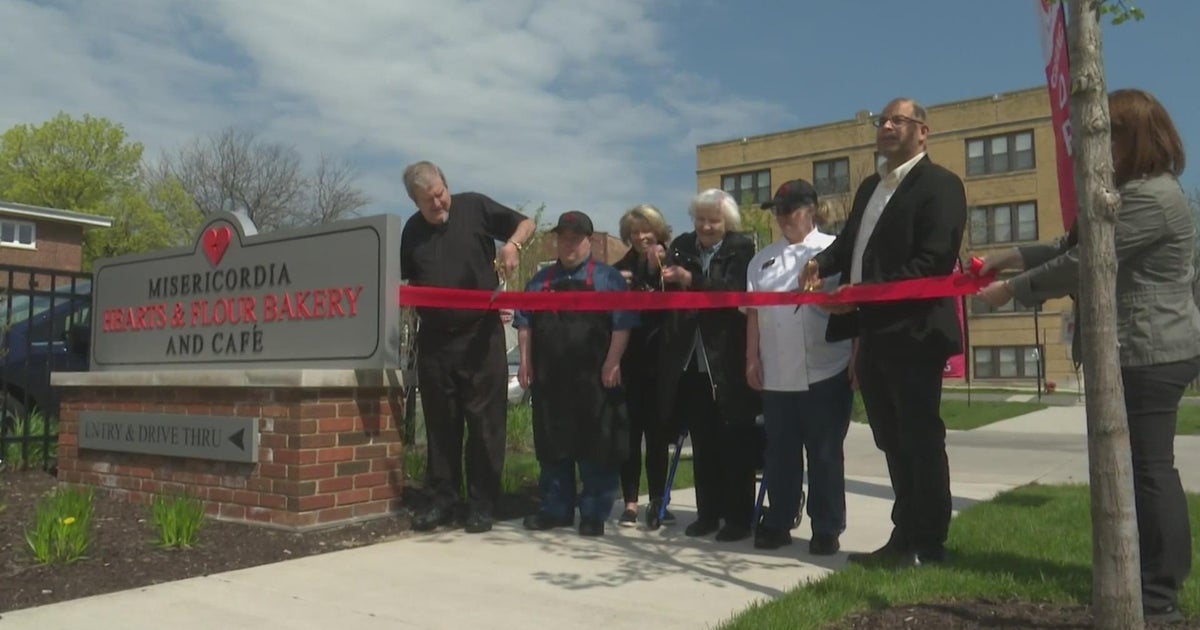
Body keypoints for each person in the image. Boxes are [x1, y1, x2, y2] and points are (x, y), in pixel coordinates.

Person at [977, 88, 1198, 624]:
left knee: (1150, 469)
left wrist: (1013, 291)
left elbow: (1085, 259)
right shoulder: (1127, 192)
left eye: (1106, 135)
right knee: (1136, 468)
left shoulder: (1153, 197)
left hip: (1151, 348)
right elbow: (1068, 244)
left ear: (1135, 137)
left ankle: (1160, 594)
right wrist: (1010, 255)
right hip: (1134, 345)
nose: (1090, 147)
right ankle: (1138, 580)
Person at [801, 97, 967, 566]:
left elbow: (931, 262)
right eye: (883, 120)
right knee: (891, 439)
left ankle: (930, 544)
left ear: (923, 131)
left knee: (919, 437)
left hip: (915, 333)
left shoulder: (941, 186)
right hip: (871, 335)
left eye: (899, 120)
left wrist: (863, 291)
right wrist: (821, 262)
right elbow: (850, 244)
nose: (888, 126)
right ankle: (903, 535)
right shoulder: (871, 186)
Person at [399, 161, 535, 534]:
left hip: (480, 336)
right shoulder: (411, 231)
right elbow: (405, 282)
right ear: (415, 202)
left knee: (485, 424)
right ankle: (442, 500)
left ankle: (482, 504)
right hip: (435, 341)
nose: (439, 204)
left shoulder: (473, 206)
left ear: (447, 185)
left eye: (441, 195)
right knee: (441, 425)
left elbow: (527, 223)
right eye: (429, 202)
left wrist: (512, 245)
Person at [747, 180, 854, 555]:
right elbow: (753, 314)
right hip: (776, 373)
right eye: (777, 210)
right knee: (780, 454)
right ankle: (779, 520)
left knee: (824, 454)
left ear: (811, 209)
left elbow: (855, 309)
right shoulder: (762, 259)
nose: (781, 218)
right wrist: (751, 358)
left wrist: (857, 356)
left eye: (788, 209)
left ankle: (827, 526)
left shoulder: (835, 251)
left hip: (827, 368)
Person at [515, 211, 636, 536]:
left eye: (575, 238)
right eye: (563, 238)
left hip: (596, 380)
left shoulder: (609, 279)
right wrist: (525, 362)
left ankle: (594, 513)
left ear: (589, 241)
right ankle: (556, 510)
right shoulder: (539, 282)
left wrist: (613, 363)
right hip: (551, 380)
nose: (568, 244)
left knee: (597, 448)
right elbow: (524, 322)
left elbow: (622, 325)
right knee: (553, 446)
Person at [659, 189, 761, 542]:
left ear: (727, 222)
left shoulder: (741, 248)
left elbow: (731, 291)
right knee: (703, 445)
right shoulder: (682, 245)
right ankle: (708, 514)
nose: (705, 226)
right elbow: (664, 287)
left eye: (713, 220)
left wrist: (692, 280)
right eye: (700, 219)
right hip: (691, 360)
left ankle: (738, 518)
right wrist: (659, 266)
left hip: (727, 360)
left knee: (736, 442)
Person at [612, 204, 676, 530]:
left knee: (657, 436)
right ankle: (630, 503)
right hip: (629, 362)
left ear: (658, 230)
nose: (640, 237)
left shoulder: (673, 261)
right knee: (628, 436)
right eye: (634, 232)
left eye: (646, 230)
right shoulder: (619, 268)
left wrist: (661, 269)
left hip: (663, 363)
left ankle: (658, 501)